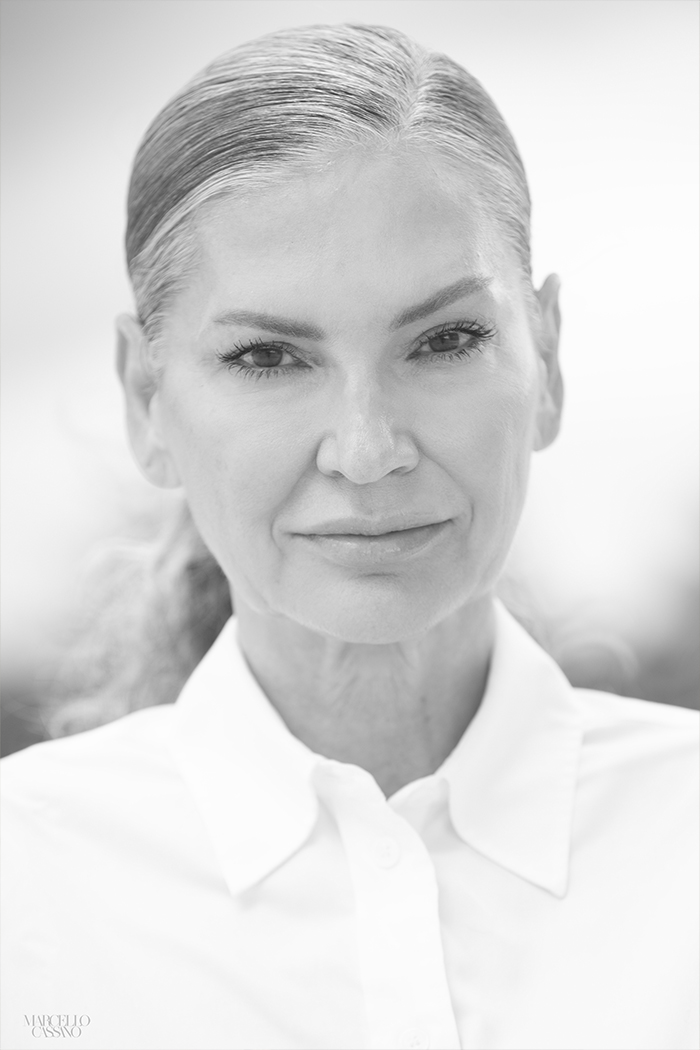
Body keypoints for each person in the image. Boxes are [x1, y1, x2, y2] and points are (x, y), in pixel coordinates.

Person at [1, 23, 697, 1050]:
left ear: (546, 362)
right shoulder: (25, 880)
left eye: (446, 340)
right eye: (268, 358)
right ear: (146, 400)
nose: (367, 452)